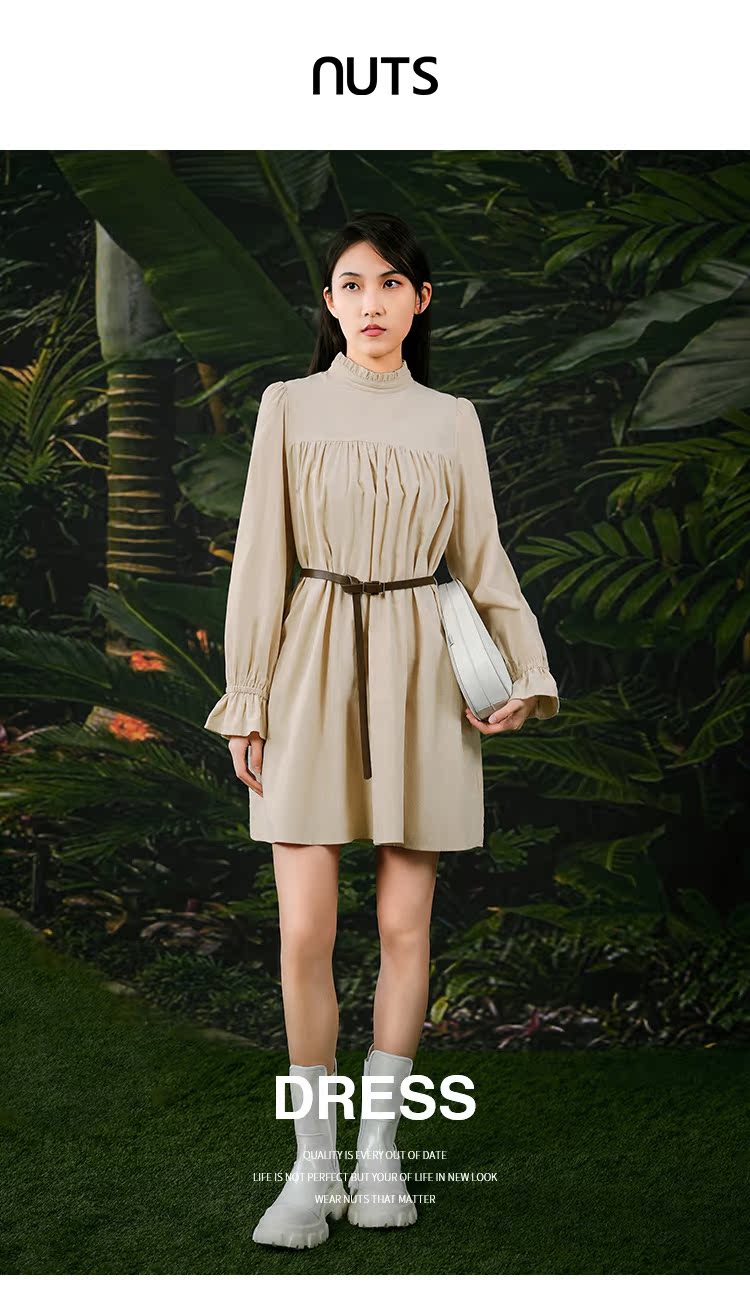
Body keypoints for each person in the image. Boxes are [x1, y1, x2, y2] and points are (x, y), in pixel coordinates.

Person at [204, 211, 560, 1249]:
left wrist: (529, 671)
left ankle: (379, 1154)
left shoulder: (453, 418)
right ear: (329, 301)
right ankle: (311, 1168)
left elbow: (483, 558)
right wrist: (247, 695)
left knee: (407, 928)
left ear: (420, 300)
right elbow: (259, 559)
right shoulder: (287, 404)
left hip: (420, 668)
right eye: (352, 284)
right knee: (304, 932)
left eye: (391, 283)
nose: (371, 302)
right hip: (311, 658)